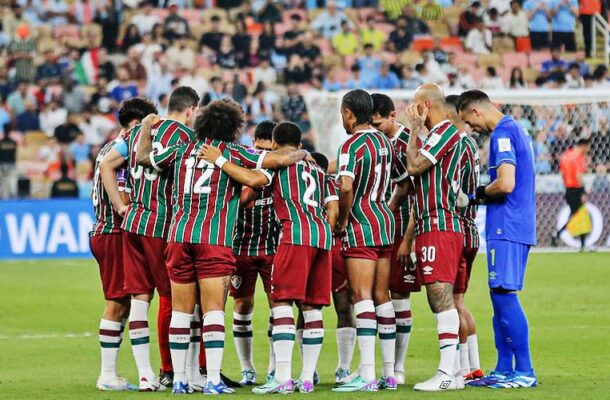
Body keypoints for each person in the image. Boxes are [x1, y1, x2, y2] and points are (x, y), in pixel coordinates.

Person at [197, 118, 330, 394]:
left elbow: (252, 178)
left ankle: (280, 376)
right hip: (318, 237)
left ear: (275, 145)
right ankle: (303, 377)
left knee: (280, 304)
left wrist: (221, 161)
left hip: (289, 240)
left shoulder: (276, 165)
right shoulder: (315, 167)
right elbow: (334, 204)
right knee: (309, 307)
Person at [99, 87, 201, 392]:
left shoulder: (138, 133)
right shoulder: (185, 137)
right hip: (161, 225)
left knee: (140, 300)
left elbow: (106, 163)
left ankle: (146, 376)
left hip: (132, 223)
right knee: (174, 299)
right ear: (190, 111)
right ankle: (180, 372)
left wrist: (119, 204)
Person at [457, 89, 538, 389]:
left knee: (505, 295)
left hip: (508, 226)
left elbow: (505, 183)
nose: (471, 129)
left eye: (469, 121)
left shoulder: (503, 134)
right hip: (508, 225)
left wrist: (474, 195)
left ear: (477, 111)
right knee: (498, 296)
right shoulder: (513, 129)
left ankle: (525, 370)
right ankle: (505, 368)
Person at [331, 89, 410, 392]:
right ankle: (389, 373)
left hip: (361, 223)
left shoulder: (350, 145)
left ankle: (366, 373)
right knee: (382, 295)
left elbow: (346, 187)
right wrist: (385, 209)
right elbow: (403, 184)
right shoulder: (386, 143)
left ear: (349, 113)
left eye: (342, 113)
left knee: (360, 295)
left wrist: (342, 220)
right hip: (384, 220)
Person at [90, 97, 157, 391]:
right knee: (117, 303)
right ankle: (107, 375)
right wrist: (122, 207)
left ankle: (112, 373)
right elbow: (119, 186)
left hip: (105, 231)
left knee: (125, 302)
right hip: (114, 232)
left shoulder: (109, 148)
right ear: (135, 124)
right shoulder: (123, 151)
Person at [404, 84, 464, 392]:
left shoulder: (443, 132)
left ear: (427, 104)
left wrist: (414, 130)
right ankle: (452, 374)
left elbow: (414, 166)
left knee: (439, 296)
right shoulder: (440, 136)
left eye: (415, 106)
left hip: (440, 225)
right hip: (434, 224)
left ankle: (445, 373)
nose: (411, 112)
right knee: (441, 297)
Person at [370, 93, 419, 385]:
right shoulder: (373, 143)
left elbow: (416, 192)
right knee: (372, 295)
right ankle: (377, 365)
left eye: (379, 124)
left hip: (400, 229)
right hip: (375, 229)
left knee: (399, 296)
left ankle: (398, 367)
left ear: (392, 116)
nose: (376, 130)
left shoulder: (407, 145)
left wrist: (409, 239)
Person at [229, 121, 279, 386]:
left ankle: (273, 366)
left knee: (278, 306)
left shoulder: (280, 169)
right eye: (257, 146)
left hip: (273, 249)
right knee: (242, 305)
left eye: (266, 147)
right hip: (242, 248)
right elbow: (236, 204)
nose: (260, 151)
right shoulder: (242, 169)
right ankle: (247, 368)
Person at [444, 95, 484, 382]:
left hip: (456, 227)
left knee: (452, 302)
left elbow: (453, 187)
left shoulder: (457, 143)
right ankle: (474, 365)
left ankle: (460, 368)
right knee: (459, 299)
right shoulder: (471, 144)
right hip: (471, 228)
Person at [310, 151, 356, 385]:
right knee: (343, 306)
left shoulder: (302, 179)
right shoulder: (331, 183)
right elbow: (337, 210)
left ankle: (312, 370)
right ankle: (342, 369)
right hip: (334, 245)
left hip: (314, 246)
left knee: (308, 308)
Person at [554, 138, 590, 249]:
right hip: (576, 189)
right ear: (583, 145)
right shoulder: (579, 157)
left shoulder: (566, 156)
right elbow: (579, 175)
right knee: (580, 215)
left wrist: (567, 184)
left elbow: (562, 173)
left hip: (568, 189)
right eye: (587, 147)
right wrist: (583, 191)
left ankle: (558, 234)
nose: (588, 150)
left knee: (577, 215)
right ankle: (559, 235)